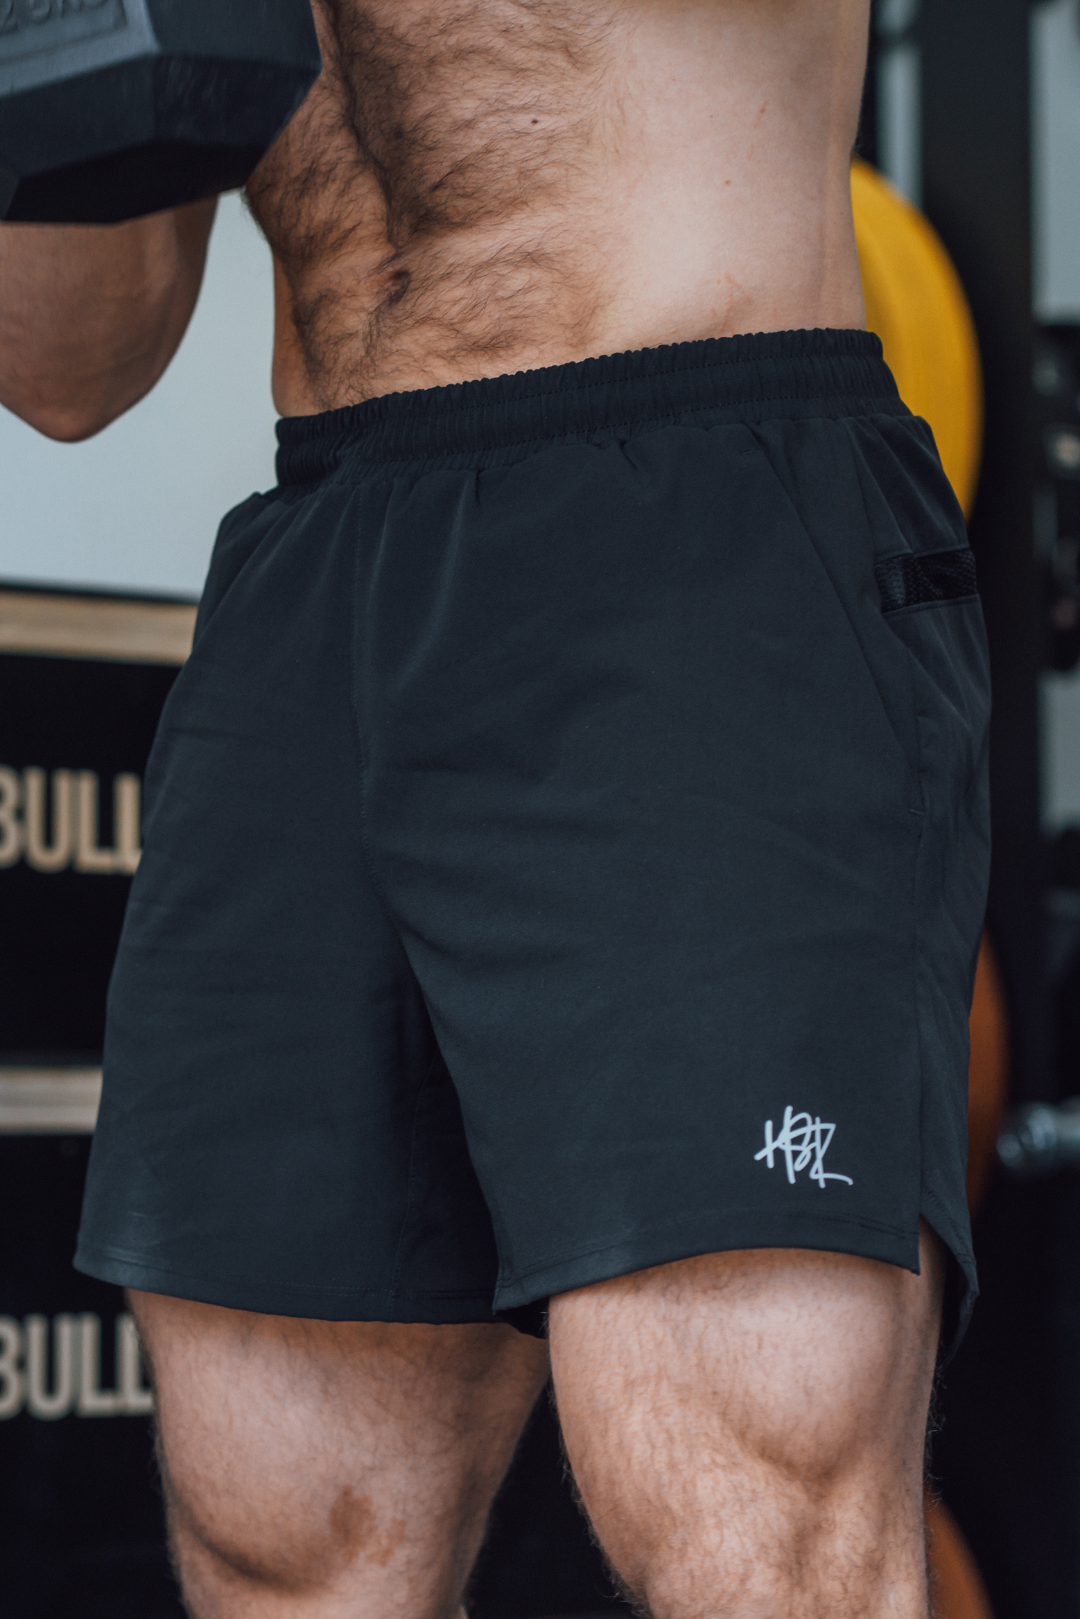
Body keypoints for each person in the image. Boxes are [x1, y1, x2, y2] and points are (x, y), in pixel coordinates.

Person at [0, 2, 990, 1614]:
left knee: (753, 1523)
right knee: (284, 1533)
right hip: (320, 559)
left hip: (686, 481)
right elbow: (69, 365)